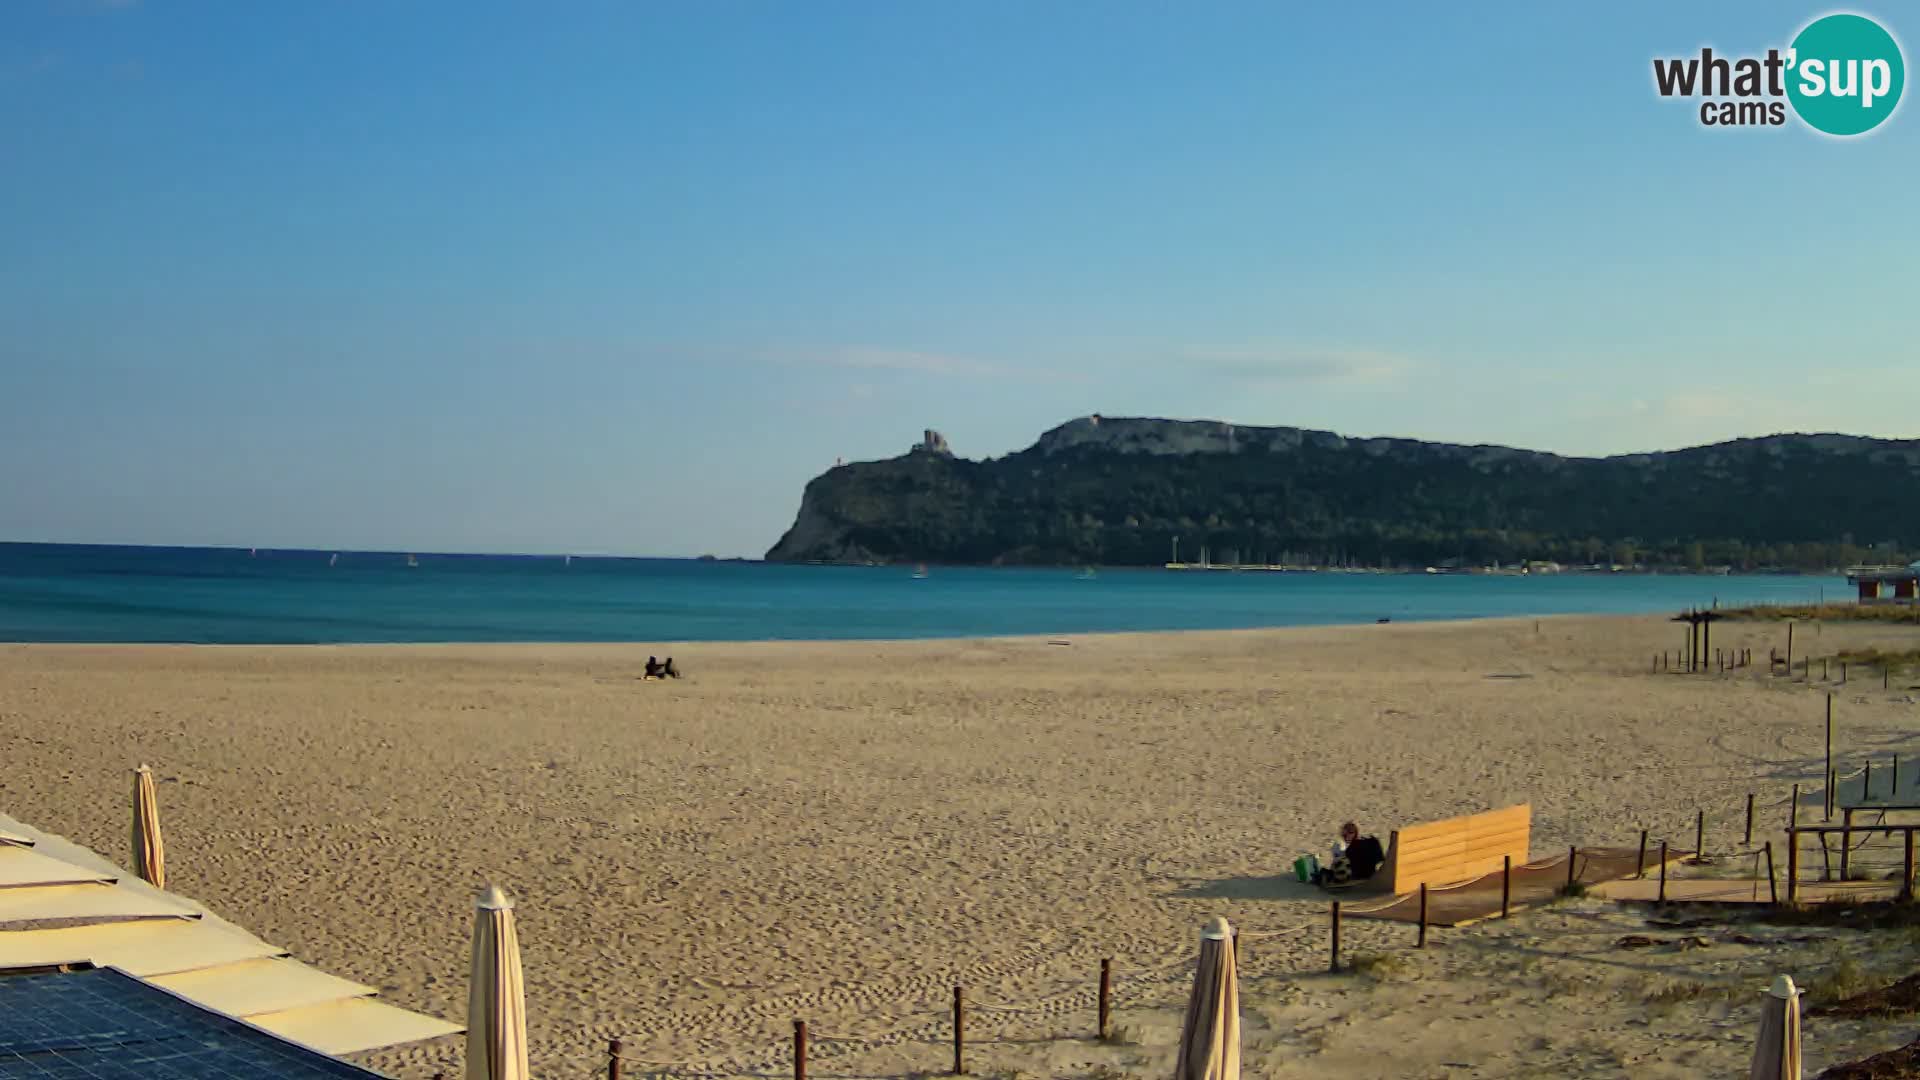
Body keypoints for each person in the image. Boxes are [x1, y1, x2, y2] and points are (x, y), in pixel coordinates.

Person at [1313, 822, 1386, 888]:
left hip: (1361, 875)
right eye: (1343, 835)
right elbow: (1380, 859)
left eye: (1345, 835)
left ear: (1353, 833)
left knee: (1337, 865)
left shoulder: (1352, 848)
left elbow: (1351, 866)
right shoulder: (1372, 842)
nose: (1344, 837)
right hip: (1372, 874)